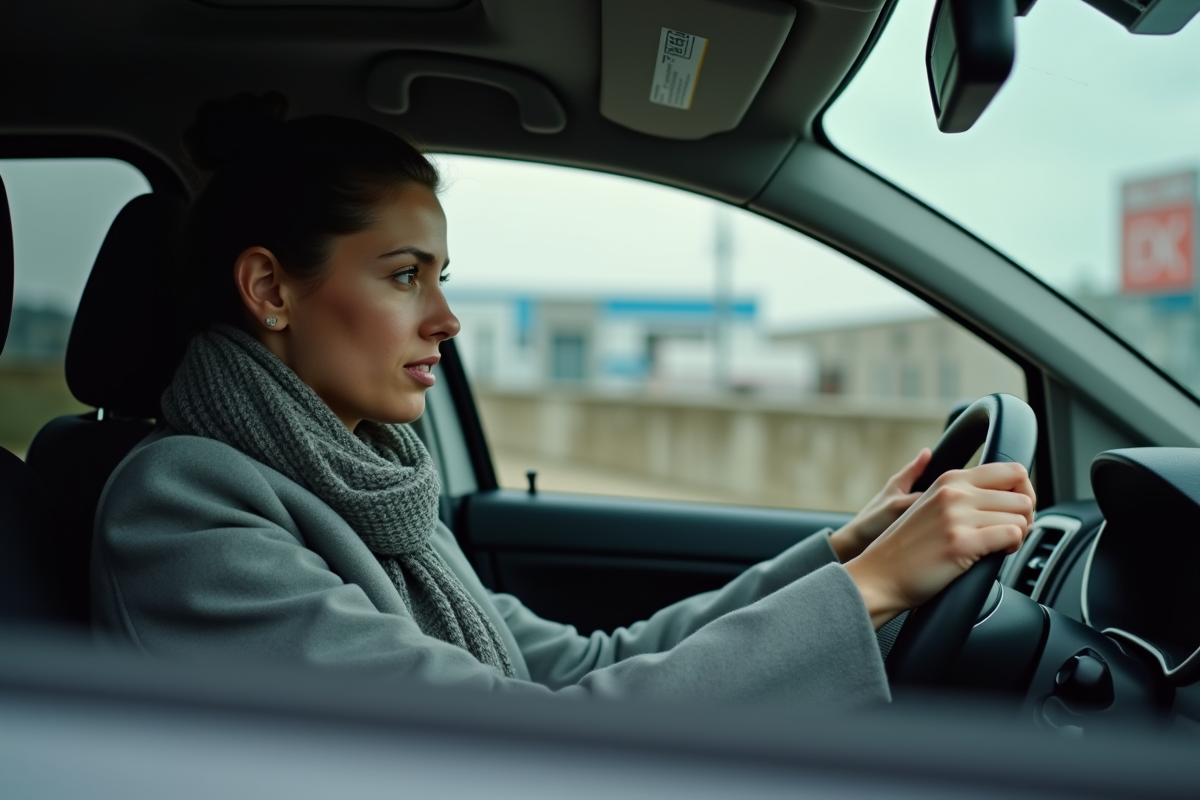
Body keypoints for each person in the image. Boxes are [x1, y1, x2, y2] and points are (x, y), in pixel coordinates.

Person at [92, 93, 1036, 709]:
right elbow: (511, 745)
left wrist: (839, 555)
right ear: (271, 291)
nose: (448, 319)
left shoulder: (370, 487)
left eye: (442, 276)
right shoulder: (183, 510)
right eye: (405, 276)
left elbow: (582, 667)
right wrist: (868, 593)